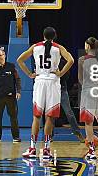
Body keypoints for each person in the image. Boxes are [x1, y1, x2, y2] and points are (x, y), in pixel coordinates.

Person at [17, 27, 74, 160]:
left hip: (40, 81)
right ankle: (47, 149)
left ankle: (32, 148)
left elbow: (20, 60)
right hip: (53, 82)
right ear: (54, 36)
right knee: (50, 117)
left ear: (43, 35)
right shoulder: (59, 47)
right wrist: (60, 72)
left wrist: (30, 74)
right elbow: (71, 60)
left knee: (37, 116)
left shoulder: (35, 47)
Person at [78, 37, 98, 160]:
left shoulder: (82, 60)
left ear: (87, 46)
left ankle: (91, 150)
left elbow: (80, 78)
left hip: (88, 91)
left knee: (88, 122)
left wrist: (87, 84)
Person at [0, 48, 21, 142]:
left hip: (10, 96)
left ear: (4, 55)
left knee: (13, 117)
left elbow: (17, 79)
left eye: (1, 55)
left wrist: (18, 91)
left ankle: (16, 137)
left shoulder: (11, 66)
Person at [58, 58, 85, 142]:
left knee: (69, 112)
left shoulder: (63, 62)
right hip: (51, 89)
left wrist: (59, 74)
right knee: (50, 114)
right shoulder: (48, 61)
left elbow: (67, 76)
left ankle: (77, 133)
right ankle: (49, 136)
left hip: (62, 89)